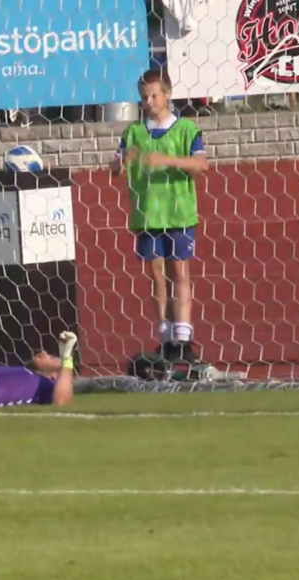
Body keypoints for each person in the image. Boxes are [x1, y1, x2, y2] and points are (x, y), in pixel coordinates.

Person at [110, 68, 208, 362]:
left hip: (178, 213)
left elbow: (201, 165)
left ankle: (184, 338)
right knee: (155, 275)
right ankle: (166, 337)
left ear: (167, 94)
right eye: (144, 97)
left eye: (153, 95)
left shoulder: (186, 129)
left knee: (179, 272)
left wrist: (165, 160)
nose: (148, 102)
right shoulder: (133, 132)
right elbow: (115, 168)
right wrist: (120, 163)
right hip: (147, 214)